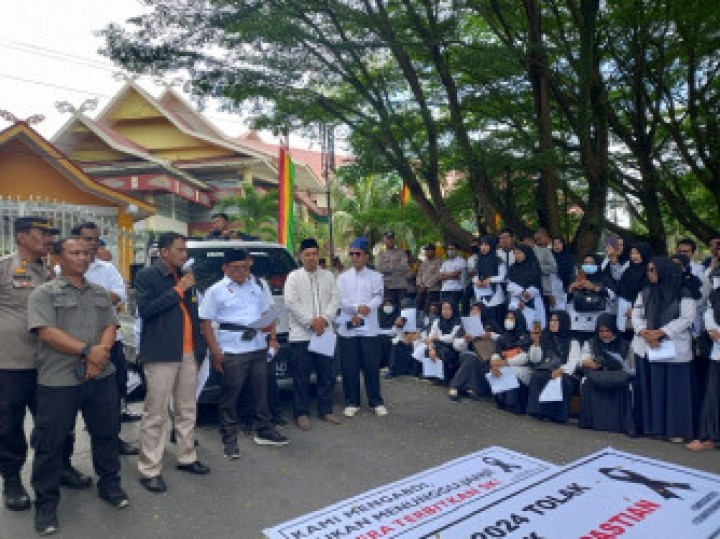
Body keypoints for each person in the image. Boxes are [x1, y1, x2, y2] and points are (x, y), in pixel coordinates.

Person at [28, 236, 129, 535]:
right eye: (75, 253)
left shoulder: (100, 292)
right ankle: (46, 506)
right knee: (50, 443)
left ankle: (110, 487)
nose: (83, 258)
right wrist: (88, 351)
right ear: (58, 258)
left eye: (87, 252)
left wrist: (99, 356)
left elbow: (110, 325)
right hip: (58, 380)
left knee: (106, 434)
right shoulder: (43, 294)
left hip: (101, 377)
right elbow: (46, 332)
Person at [0, 217, 79, 513]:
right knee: (9, 425)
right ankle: (12, 480)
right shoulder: (4, 267)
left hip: (49, 364)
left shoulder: (48, 272)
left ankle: (60, 467)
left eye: (50, 234)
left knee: (58, 421)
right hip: (10, 364)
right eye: (42, 233)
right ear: (21, 236)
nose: (48, 239)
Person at [135, 232, 209, 494]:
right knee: (156, 413)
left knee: (187, 408)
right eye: (179, 250)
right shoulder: (148, 277)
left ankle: (186, 456)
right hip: (161, 354)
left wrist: (200, 350)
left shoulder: (185, 276)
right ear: (164, 252)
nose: (184, 254)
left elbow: (195, 314)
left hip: (188, 354)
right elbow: (146, 310)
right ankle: (149, 468)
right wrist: (178, 290)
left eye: (185, 250)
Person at [200, 248, 290, 456]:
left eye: (244, 267)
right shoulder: (216, 290)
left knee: (261, 392)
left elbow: (268, 313)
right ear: (225, 268)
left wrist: (272, 337)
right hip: (232, 349)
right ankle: (229, 439)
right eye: (235, 268)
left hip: (258, 346)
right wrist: (215, 351)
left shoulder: (257, 286)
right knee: (230, 395)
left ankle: (263, 429)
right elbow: (206, 323)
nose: (241, 271)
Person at [69, 222, 139, 456]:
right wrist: (99, 297)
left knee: (114, 391)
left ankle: (113, 437)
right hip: (73, 344)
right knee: (69, 397)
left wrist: (86, 296)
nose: (92, 244)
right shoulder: (61, 271)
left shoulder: (107, 269)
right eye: (87, 239)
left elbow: (118, 297)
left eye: (96, 239)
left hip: (110, 341)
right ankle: (64, 454)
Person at [632, 257, 696, 442]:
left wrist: (660, 332)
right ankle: (655, 427)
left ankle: (676, 430)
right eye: (648, 270)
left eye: (653, 270)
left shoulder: (684, 291)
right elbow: (637, 315)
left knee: (674, 392)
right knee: (655, 389)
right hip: (651, 345)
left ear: (664, 270)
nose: (649, 274)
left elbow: (687, 318)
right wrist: (645, 332)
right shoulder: (645, 292)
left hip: (674, 347)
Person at [283, 238, 341, 431]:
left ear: (318, 256)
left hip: (324, 332)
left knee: (326, 374)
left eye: (315, 254)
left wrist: (324, 320)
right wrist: (311, 321)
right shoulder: (293, 277)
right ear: (301, 256)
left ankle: (326, 410)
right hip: (302, 335)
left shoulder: (328, 276)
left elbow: (335, 300)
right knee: (301, 377)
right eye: (307, 254)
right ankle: (301, 413)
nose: (311, 257)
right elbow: (291, 303)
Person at [336, 237, 387, 417]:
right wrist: (357, 309)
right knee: (349, 366)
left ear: (366, 256)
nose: (354, 257)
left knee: (371, 365)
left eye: (358, 254)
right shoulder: (342, 278)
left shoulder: (376, 276)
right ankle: (352, 401)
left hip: (369, 327)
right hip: (349, 325)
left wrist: (368, 308)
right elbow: (341, 300)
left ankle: (375, 401)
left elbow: (378, 296)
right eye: (351, 254)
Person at [578, 313, 636, 435]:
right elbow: (583, 360)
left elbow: (631, 368)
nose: (604, 334)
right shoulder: (591, 343)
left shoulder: (625, 345)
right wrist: (591, 363)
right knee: (587, 381)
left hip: (618, 376)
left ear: (613, 329)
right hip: (598, 375)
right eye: (601, 331)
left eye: (607, 330)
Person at [686, 268, 720, 450]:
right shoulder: (715, 295)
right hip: (717, 354)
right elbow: (708, 313)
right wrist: (714, 330)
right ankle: (709, 437)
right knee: (713, 396)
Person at [448, 302, 498, 401]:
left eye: (477, 310)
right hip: (468, 353)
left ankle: (466, 388)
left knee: (476, 361)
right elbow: (456, 345)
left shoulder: (490, 324)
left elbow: (501, 339)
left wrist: (491, 335)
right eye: (472, 310)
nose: (474, 312)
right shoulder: (466, 325)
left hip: (486, 356)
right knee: (470, 359)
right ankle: (456, 386)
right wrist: (465, 340)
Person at [489, 309, 533, 414]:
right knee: (497, 369)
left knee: (509, 370)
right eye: (507, 318)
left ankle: (513, 404)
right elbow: (497, 352)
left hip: (523, 367)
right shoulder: (503, 336)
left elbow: (525, 356)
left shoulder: (525, 337)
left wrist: (506, 362)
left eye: (512, 318)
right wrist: (494, 362)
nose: (509, 320)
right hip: (504, 363)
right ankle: (501, 401)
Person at [506, 244, 546, 330]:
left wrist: (525, 296)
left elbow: (537, 284)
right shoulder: (512, 268)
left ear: (526, 253)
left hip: (532, 301)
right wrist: (521, 292)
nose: (517, 256)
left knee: (533, 328)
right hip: (516, 302)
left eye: (519, 253)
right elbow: (508, 284)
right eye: (515, 253)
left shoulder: (534, 267)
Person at [421, 300, 461, 384]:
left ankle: (445, 377)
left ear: (453, 310)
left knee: (444, 352)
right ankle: (433, 375)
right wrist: (431, 348)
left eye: (448, 309)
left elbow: (451, 338)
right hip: (437, 345)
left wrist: (437, 338)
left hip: (452, 348)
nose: (445, 312)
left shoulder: (458, 322)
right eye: (443, 309)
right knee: (427, 350)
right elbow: (430, 337)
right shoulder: (437, 321)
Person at [615, 242, 653, 334]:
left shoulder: (649, 271)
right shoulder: (628, 269)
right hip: (623, 308)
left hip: (638, 308)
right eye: (632, 253)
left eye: (637, 253)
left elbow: (646, 292)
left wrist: (634, 308)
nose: (634, 256)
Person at [472, 236, 506, 328]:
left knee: (495, 324)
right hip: (482, 296)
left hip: (496, 296)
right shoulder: (479, 260)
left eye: (486, 245)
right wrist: (476, 280)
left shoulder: (498, 260)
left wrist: (490, 280)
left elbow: (503, 276)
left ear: (491, 246)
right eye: (482, 244)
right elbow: (475, 275)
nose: (483, 247)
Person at [376, 231, 409, 306]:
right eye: (388, 238)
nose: (390, 240)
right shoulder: (380, 255)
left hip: (400, 286)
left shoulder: (401, 253)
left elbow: (405, 267)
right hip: (387, 286)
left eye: (392, 238)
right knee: (389, 310)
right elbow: (379, 269)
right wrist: (393, 266)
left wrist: (388, 268)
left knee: (402, 309)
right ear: (384, 240)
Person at [439, 242, 467, 316]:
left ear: (457, 250)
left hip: (456, 290)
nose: (449, 251)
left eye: (452, 249)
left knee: (454, 310)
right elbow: (440, 277)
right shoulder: (445, 262)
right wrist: (451, 275)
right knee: (444, 310)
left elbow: (456, 275)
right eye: (448, 249)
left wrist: (446, 275)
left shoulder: (462, 261)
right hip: (444, 290)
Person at [415, 244, 442, 313]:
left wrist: (427, 285)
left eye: (428, 250)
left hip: (433, 289)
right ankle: (421, 321)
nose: (426, 252)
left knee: (429, 308)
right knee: (418, 305)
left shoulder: (438, 261)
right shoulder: (424, 262)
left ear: (433, 251)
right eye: (425, 251)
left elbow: (438, 275)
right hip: (422, 289)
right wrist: (420, 284)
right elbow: (419, 274)